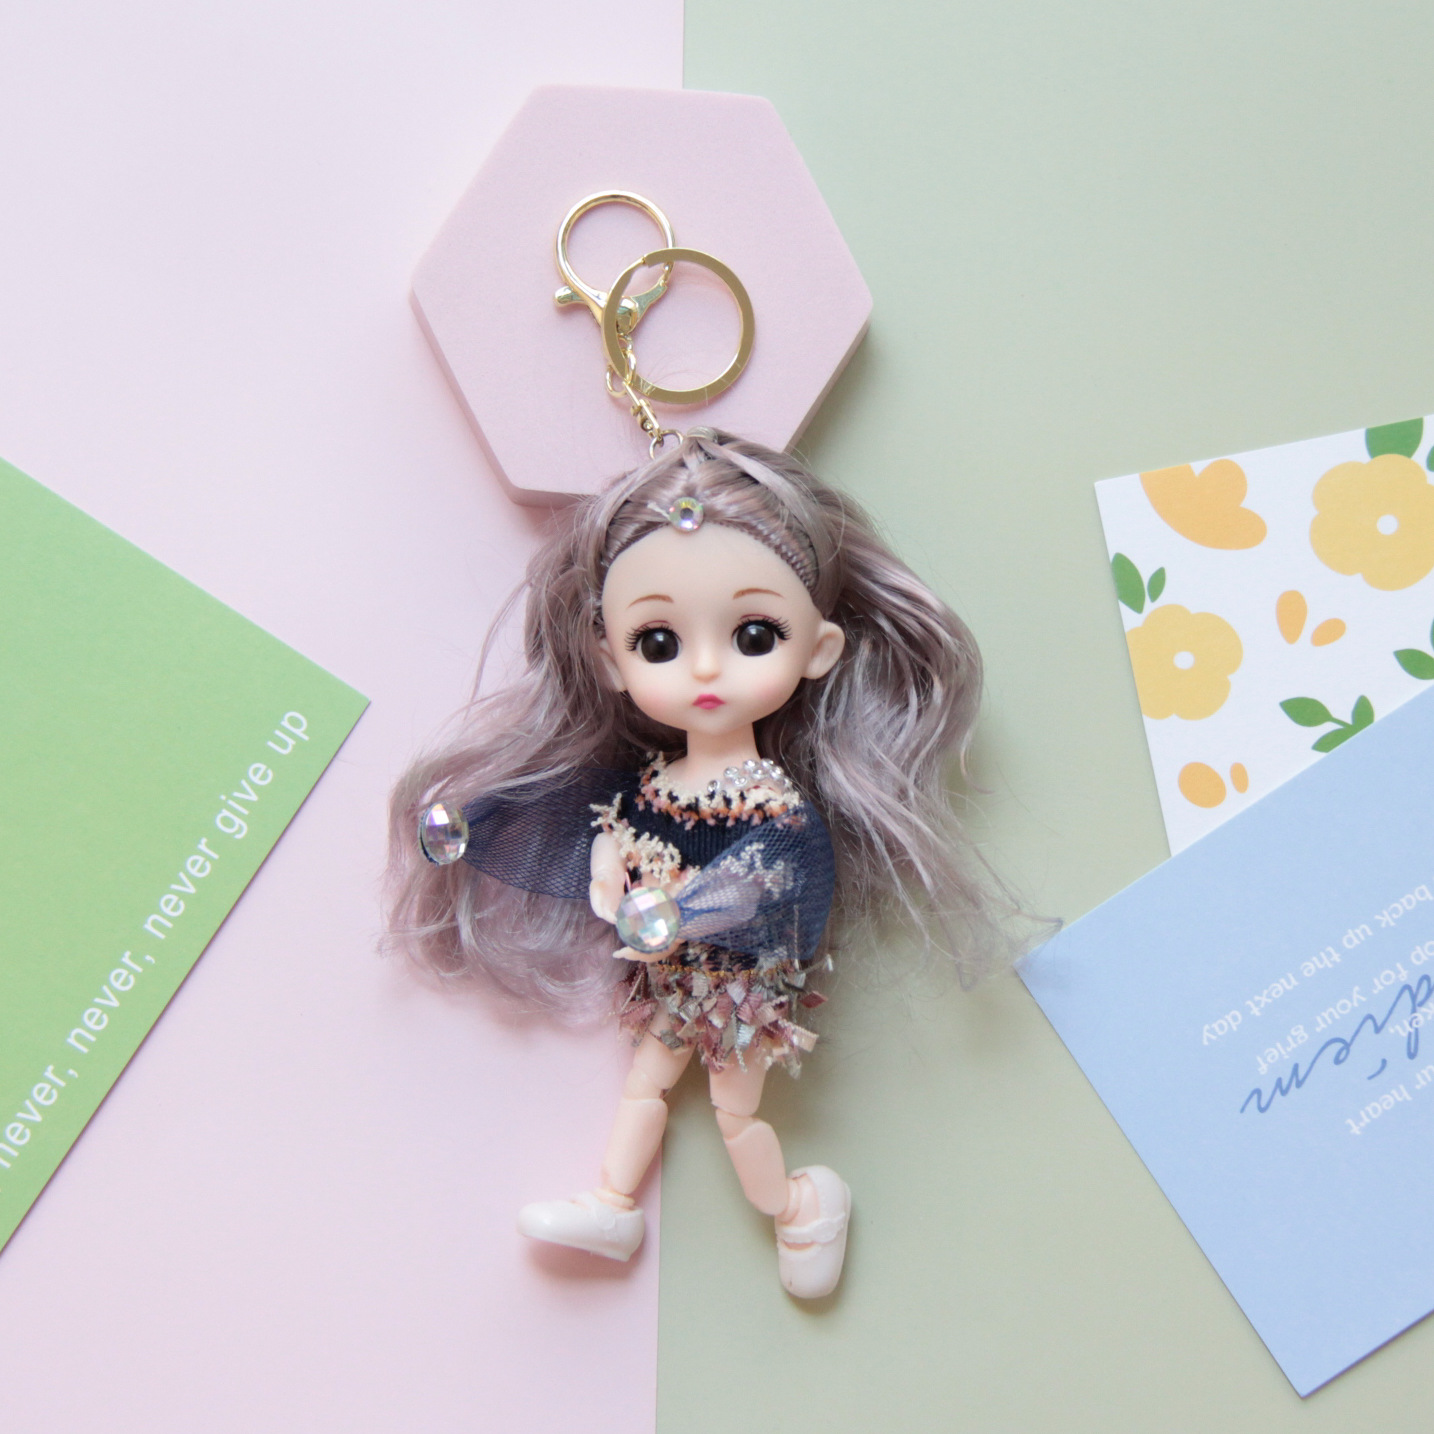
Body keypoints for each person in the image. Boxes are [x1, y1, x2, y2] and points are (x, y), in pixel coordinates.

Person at [388, 429, 1009, 1298]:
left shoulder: (774, 800)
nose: (708, 667)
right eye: (658, 642)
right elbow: (616, 834)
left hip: (742, 988)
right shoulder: (653, 781)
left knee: (734, 1112)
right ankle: (613, 1206)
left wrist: (686, 911)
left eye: (755, 634)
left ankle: (799, 1205)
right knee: (643, 1088)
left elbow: (781, 877)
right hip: (669, 975)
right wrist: (609, 871)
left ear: (819, 650)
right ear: (609, 659)